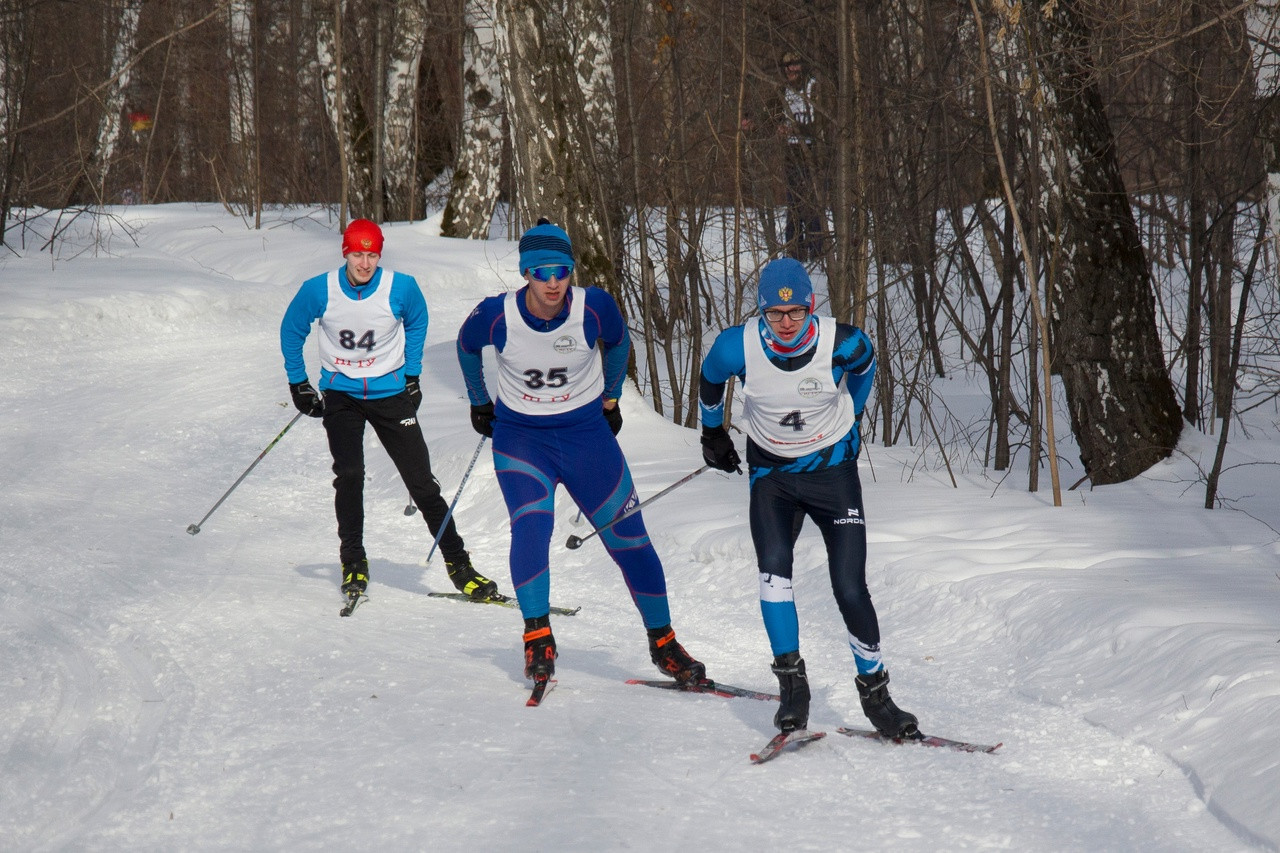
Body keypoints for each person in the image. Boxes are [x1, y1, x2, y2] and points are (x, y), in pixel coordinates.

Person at [456, 219, 706, 688]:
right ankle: (538, 638)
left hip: (586, 437)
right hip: (522, 440)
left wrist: (611, 397)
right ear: (525, 274)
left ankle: (664, 642)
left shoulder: (595, 306)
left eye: (562, 271)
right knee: (531, 529)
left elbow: (618, 344)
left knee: (631, 541)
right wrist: (478, 402)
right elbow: (467, 346)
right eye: (542, 272)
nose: (553, 283)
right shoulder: (497, 315)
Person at [697, 257, 918, 738]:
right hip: (772, 476)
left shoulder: (843, 340)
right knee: (774, 569)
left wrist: (851, 418)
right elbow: (711, 380)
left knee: (849, 585)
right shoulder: (737, 345)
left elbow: (864, 368)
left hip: (831, 473)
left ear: (811, 306)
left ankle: (877, 696)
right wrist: (712, 435)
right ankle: (792, 686)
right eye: (776, 315)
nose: (787, 324)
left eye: (796, 312)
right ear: (761, 312)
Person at [280, 218, 502, 603]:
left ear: (379, 255)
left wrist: (412, 373)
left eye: (372, 254)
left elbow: (417, 322)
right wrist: (298, 382)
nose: (364, 263)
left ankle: (460, 566)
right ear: (345, 253)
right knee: (349, 474)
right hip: (342, 395)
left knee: (422, 484)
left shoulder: (401, 287)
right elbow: (291, 329)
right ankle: (353, 560)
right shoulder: (319, 290)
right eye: (357, 254)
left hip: (390, 394)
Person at [742, 52, 828, 263]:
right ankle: (794, 253)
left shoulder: (814, 89)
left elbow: (823, 124)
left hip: (813, 153)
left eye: (795, 65)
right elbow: (770, 118)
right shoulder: (784, 91)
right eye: (787, 65)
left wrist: (795, 129)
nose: (791, 70)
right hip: (792, 155)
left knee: (813, 205)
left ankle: (817, 253)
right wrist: (752, 125)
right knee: (794, 205)